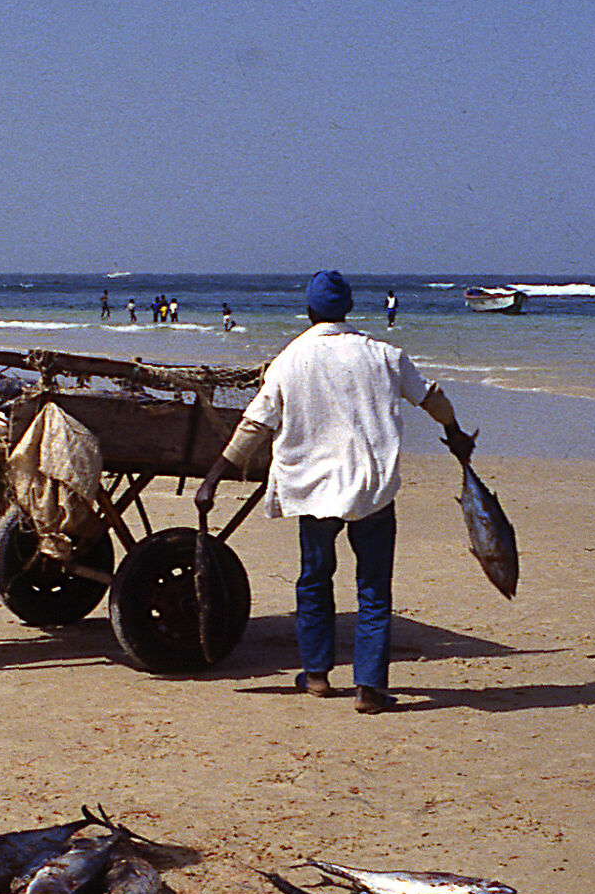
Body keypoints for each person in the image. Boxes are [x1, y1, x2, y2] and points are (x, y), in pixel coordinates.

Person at [196, 270, 472, 714]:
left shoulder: (291, 359)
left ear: (309, 312)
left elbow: (255, 425)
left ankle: (318, 675)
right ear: (348, 310)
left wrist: (213, 476)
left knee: (314, 580)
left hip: (315, 490)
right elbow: (432, 398)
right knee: (374, 591)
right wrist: (454, 432)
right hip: (371, 490)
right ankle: (369, 688)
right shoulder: (384, 355)